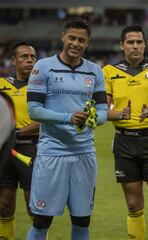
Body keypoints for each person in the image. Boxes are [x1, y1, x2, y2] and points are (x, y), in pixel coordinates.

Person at [25, 17, 107, 240]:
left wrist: (92, 120)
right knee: (42, 220)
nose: (76, 43)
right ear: (63, 37)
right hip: (52, 152)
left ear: (87, 42)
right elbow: (34, 110)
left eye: (81, 40)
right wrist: (68, 118)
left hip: (84, 154)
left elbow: (102, 112)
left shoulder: (95, 72)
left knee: (82, 220)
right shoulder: (43, 67)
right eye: (72, 38)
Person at [103, 25, 148, 240]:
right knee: (133, 205)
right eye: (130, 42)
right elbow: (100, 110)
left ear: (145, 44)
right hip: (124, 143)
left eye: (139, 42)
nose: (135, 46)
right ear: (122, 45)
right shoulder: (109, 71)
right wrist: (118, 115)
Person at [0, 42, 38, 239]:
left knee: (34, 208)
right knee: (4, 207)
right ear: (13, 60)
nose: (30, 60)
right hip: (6, 151)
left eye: (32, 57)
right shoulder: (2, 84)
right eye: (24, 56)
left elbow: (45, 120)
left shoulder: (42, 86)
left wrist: (17, 132)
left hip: (31, 150)